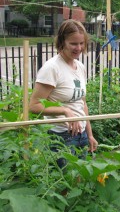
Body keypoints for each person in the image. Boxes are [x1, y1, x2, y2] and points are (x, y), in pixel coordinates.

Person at [29, 19, 98, 168]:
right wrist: (64, 110)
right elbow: (33, 106)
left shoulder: (80, 66)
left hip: (82, 135)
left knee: (80, 182)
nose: (78, 48)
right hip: (61, 136)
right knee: (64, 184)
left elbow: (82, 104)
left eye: (81, 43)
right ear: (62, 42)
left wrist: (90, 135)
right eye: (73, 43)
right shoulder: (52, 68)